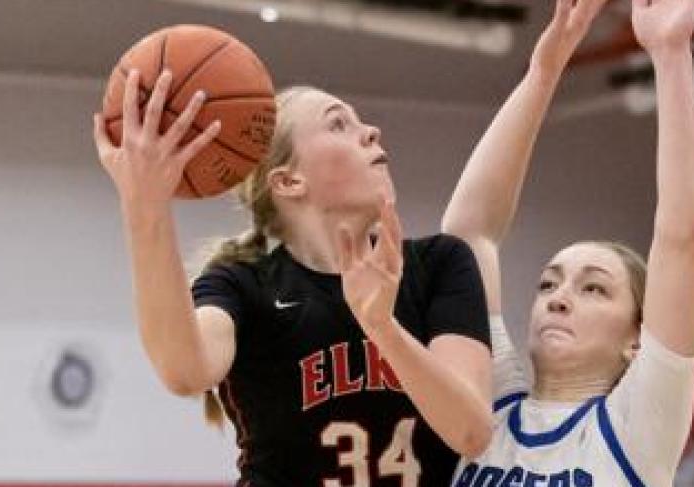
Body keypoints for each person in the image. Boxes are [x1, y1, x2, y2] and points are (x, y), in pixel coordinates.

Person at [91, 67, 494, 484]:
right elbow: (184, 372)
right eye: (339, 123)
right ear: (288, 181)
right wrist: (146, 204)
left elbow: (471, 432)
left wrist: (382, 328)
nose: (372, 131)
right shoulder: (243, 285)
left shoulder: (440, 264)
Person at [442, 0, 694, 485]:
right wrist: (543, 71)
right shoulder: (491, 407)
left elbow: (680, 238)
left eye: (594, 289)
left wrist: (671, 57)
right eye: (548, 284)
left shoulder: (636, 427)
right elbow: (467, 236)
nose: (559, 299)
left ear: (637, 339)